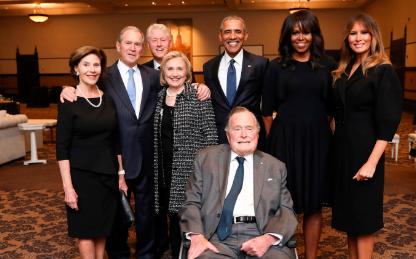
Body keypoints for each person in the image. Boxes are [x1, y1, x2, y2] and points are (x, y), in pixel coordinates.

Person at [61, 26, 161, 258]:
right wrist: (65, 89)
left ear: (142, 48)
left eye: (138, 44)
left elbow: (177, 87)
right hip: (111, 159)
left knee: (146, 213)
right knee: (115, 215)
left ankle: (146, 254)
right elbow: (82, 91)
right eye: (128, 43)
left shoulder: (154, 76)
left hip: (146, 155)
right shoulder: (103, 76)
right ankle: (119, 254)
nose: (133, 48)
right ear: (118, 46)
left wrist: (199, 86)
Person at [261, 10, 335, 259]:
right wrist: (274, 143)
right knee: (284, 204)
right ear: (287, 36)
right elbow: (266, 111)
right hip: (284, 141)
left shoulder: (328, 65)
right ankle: (284, 255)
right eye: (295, 32)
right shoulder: (275, 66)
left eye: (306, 31)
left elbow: (332, 109)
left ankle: (310, 257)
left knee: (314, 206)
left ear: (314, 34)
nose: (300, 37)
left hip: (318, 141)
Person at [180, 106, 298, 259]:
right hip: (216, 238)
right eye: (237, 129)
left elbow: (287, 209)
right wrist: (197, 237)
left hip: (261, 235)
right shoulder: (206, 159)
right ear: (228, 135)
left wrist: (268, 239)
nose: (244, 135)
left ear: (257, 133)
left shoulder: (275, 166)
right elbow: (190, 202)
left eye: (249, 128)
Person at [331, 13, 402, 258]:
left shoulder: (383, 70)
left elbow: (389, 121)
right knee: (351, 223)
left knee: (364, 223)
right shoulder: (344, 69)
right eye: (353, 33)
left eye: (364, 32)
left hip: (365, 152)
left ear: (374, 36)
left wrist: (371, 163)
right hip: (343, 152)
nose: (358, 38)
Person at [56, 46, 121, 259]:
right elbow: (62, 148)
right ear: (76, 69)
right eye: (86, 65)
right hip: (81, 177)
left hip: (108, 175)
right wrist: (68, 187)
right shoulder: (69, 101)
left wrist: (120, 174)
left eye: (96, 65)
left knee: (102, 229)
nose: (92, 69)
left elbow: (115, 140)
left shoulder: (108, 99)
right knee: (85, 231)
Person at [152, 51, 218, 258]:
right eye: (170, 68)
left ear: (187, 72)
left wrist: (208, 174)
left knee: (190, 221)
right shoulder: (159, 96)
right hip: (163, 171)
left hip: (190, 173)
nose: (174, 73)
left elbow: (211, 137)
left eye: (179, 68)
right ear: (163, 72)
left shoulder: (198, 96)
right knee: (171, 220)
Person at [203, 15, 268, 149]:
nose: (233, 36)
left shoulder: (260, 64)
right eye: (227, 32)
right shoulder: (209, 66)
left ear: (245, 35)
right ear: (220, 36)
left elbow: (268, 103)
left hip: (249, 137)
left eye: (238, 31)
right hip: (218, 138)